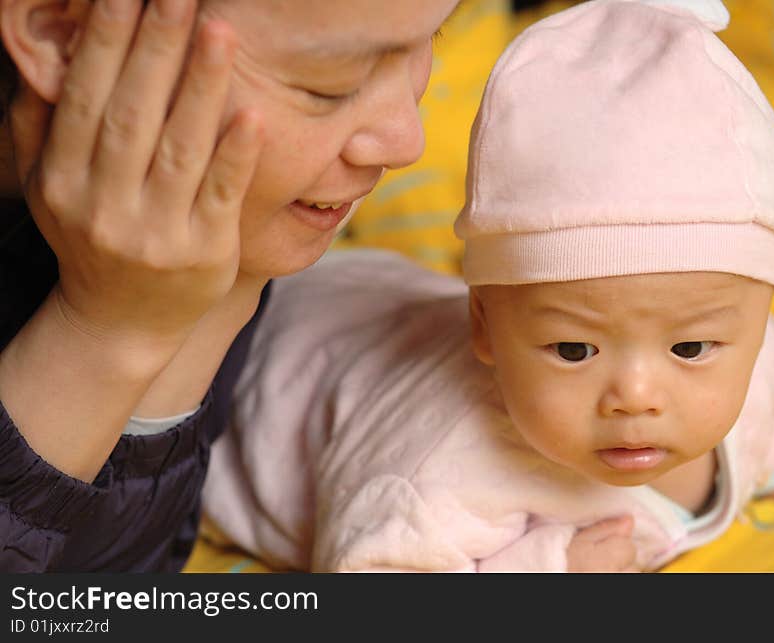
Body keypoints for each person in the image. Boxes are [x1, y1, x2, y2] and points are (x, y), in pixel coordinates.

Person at [201, 0, 774, 572]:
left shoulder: (754, 356)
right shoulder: (434, 478)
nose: (635, 397)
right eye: (575, 349)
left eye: (692, 348)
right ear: (485, 326)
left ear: (759, 319)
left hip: (379, 293)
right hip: (275, 337)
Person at [0, 0, 469, 572]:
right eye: (330, 84)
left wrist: (213, 304)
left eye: (431, 35)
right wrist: (107, 333)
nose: (405, 141)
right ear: (60, 33)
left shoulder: (214, 225)